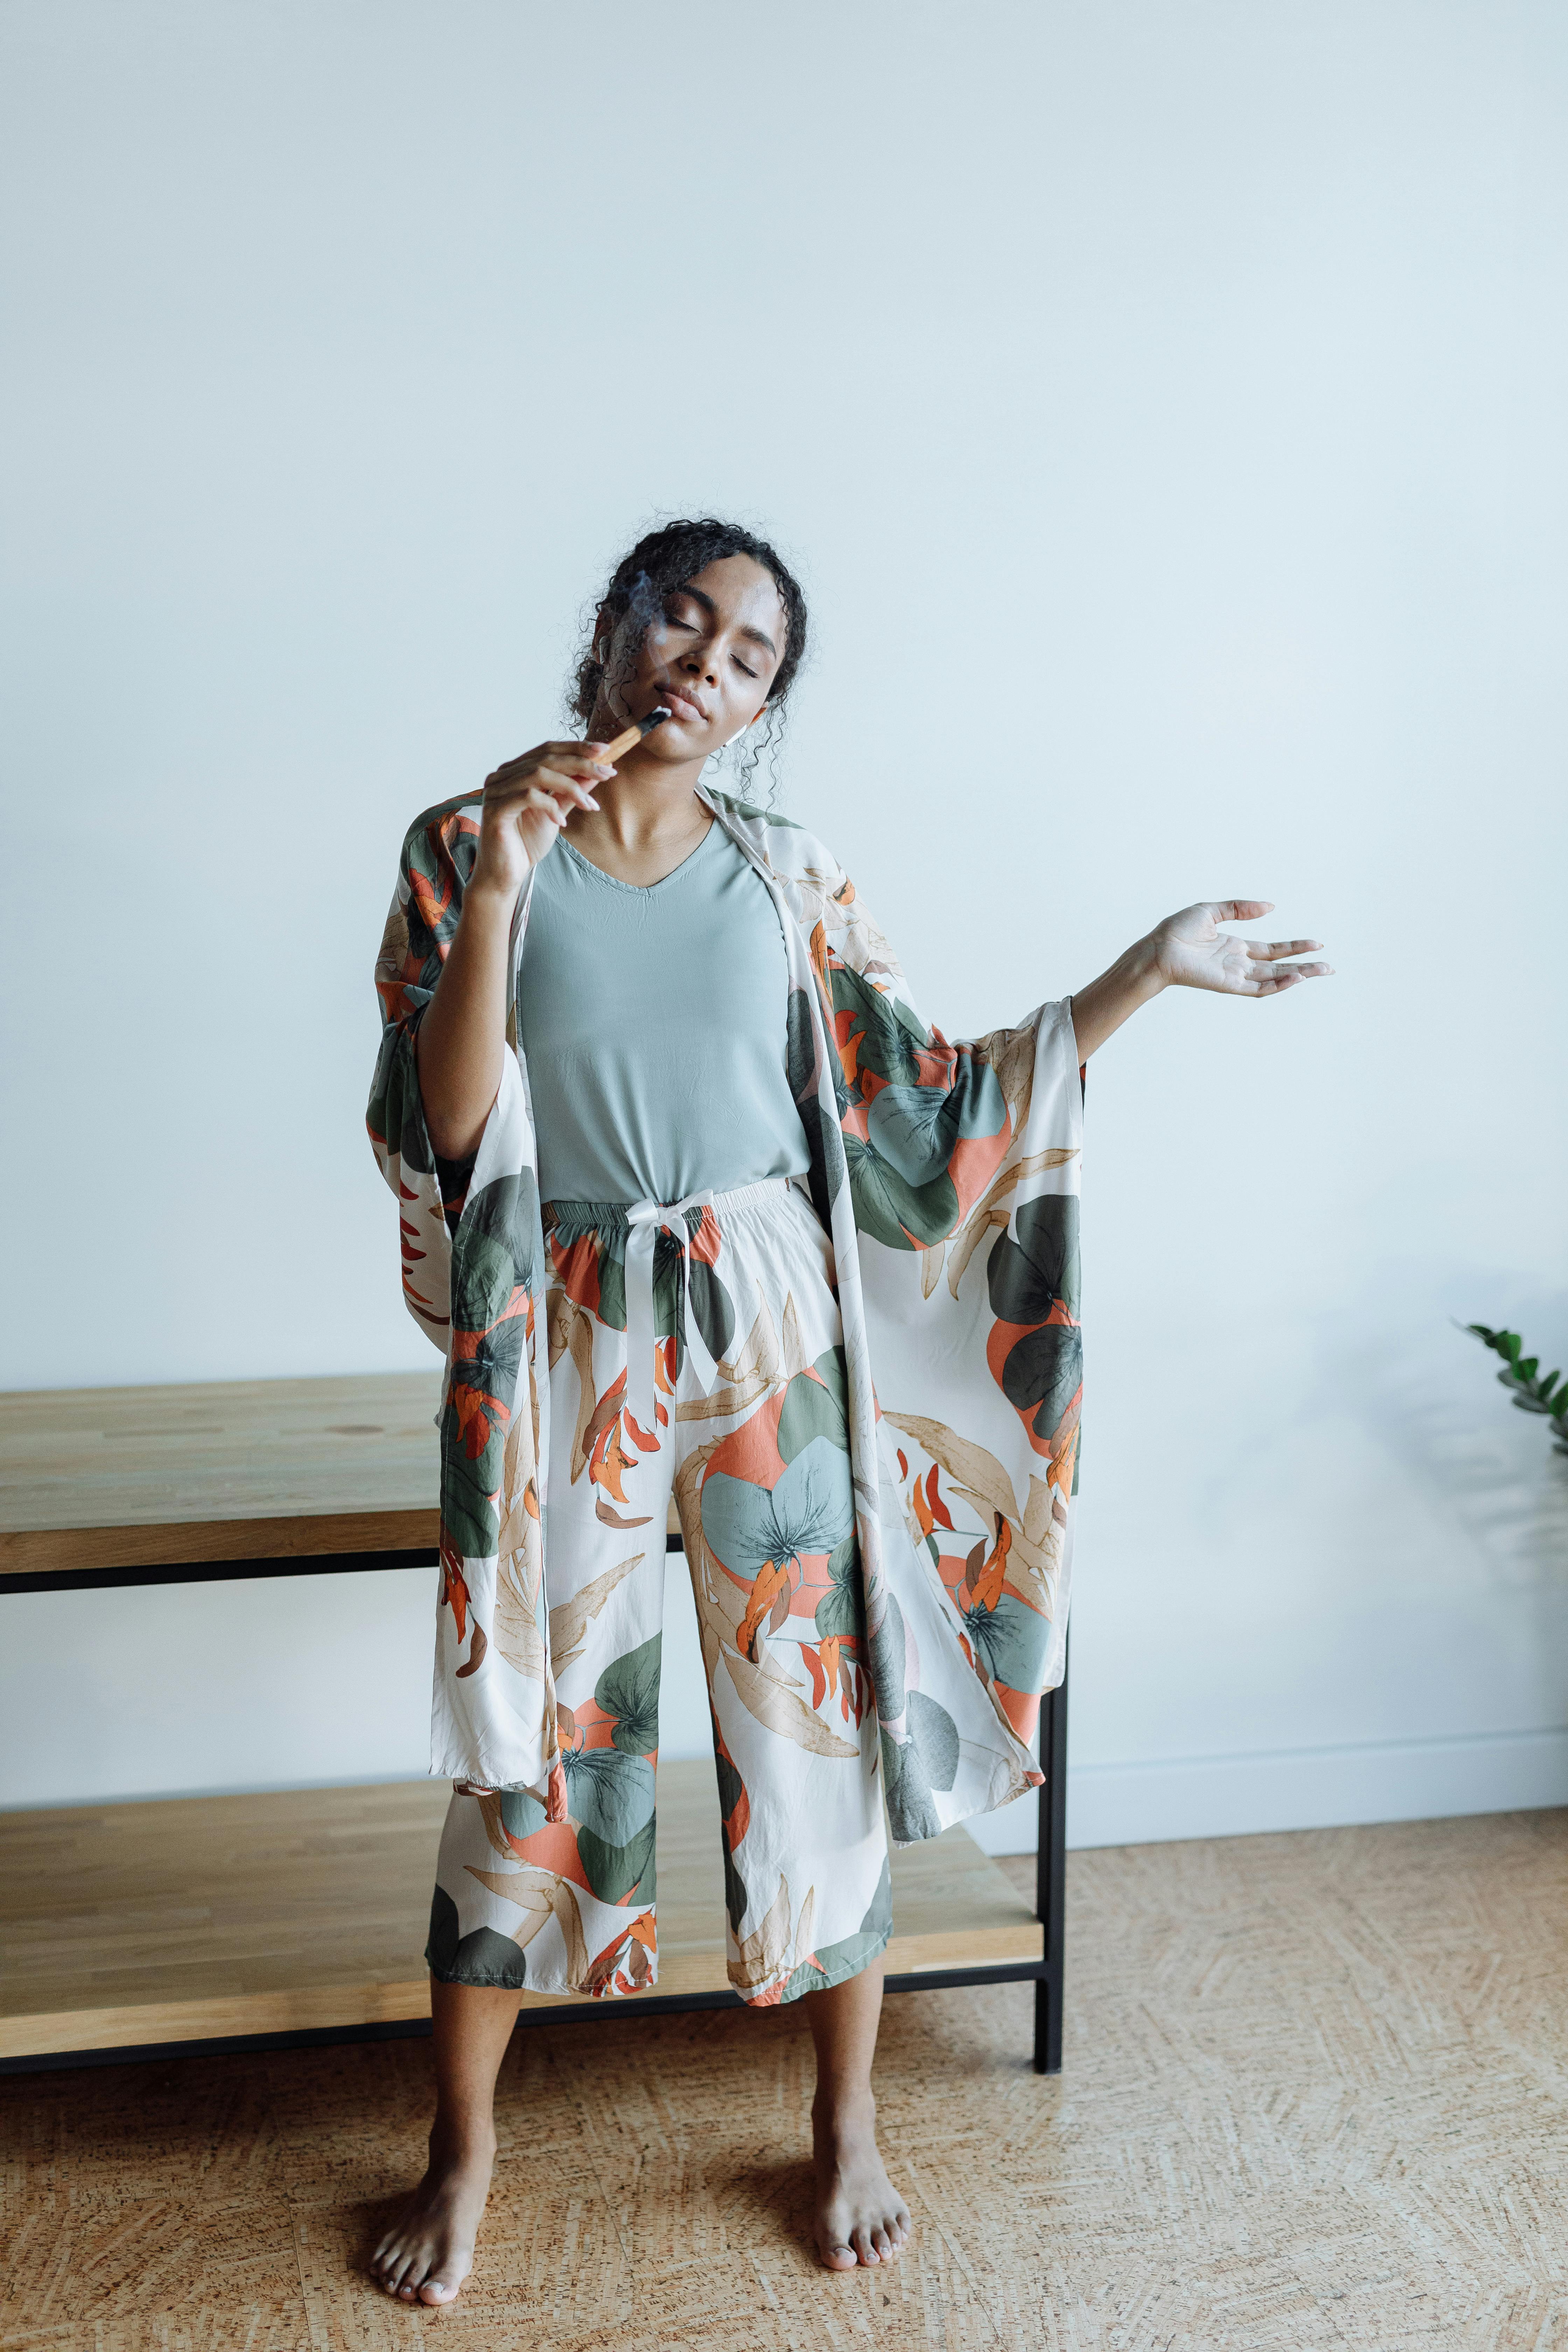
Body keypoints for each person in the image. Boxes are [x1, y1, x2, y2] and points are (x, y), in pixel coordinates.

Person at [364, 518, 1330, 2305]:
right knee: (531, 1731)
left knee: (815, 1723)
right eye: (684, 616)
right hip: (567, 1319)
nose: (704, 664)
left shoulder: (788, 872)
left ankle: (847, 2124)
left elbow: (924, 1110)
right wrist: (502, 884)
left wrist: (1141, 969)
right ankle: (465, 2147)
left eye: (748, 658)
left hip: (768, 1322)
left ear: (758, 710)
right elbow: (443, 1132)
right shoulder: (457, 844)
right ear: (619, 622)